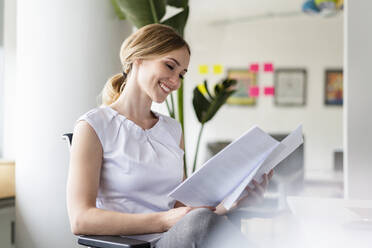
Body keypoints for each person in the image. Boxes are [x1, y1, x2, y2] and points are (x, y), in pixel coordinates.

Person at [66, 23, 273, 248]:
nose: (175, 82)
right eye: (169, 66)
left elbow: (182, 210)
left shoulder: (172, 129)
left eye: (181, 74)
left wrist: (233, 205)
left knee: (204, 224)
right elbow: (80, 219)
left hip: (174, 239)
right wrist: (163, 221)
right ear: (139, 58)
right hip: (133, 245)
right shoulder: (93, 126)